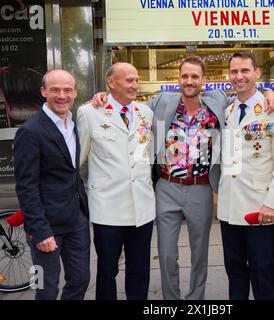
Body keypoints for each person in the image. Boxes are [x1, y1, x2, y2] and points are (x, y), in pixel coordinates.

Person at [90, 55, 274, 300]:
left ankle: (195, 300)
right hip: (167, 187)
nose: (189, 81)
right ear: (178, 78)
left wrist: (267, 92)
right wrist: (102, 96)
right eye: (184, 76)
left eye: (194, 76)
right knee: (167, 254)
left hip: (201, 189)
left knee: (200, 254)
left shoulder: (219, 102)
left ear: (203, 80)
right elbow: (125, 99)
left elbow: (246, 92)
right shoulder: (161, 102)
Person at [217, 51, 274, 300]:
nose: (239, 76)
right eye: (234, 71)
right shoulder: (228, 109)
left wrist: (272, 203)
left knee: (263, 270)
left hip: (259, 208)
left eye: (245, 71)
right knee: (235, 269)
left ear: (257, 73)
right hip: (229, 208)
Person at [76, 62, 155, 300]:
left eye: (136, 79)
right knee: (107, 269)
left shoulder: (145, 112)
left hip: (142, 206)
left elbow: (147, 154)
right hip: (107, 207)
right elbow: (79, 161)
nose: (135, 84)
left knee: (140, 269)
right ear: (111, 82)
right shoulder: (89, 112)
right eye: (128, 80)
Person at [13, 69, 90, 300]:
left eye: (67, 90)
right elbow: (26, 186)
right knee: (45, 288)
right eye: (55, 89)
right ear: (43, 91)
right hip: (46, 227)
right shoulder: (30, 131)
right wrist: (39, 231)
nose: (62, 95)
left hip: (76, 222)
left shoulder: (74, 125)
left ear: (75, 92)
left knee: (81, 280)